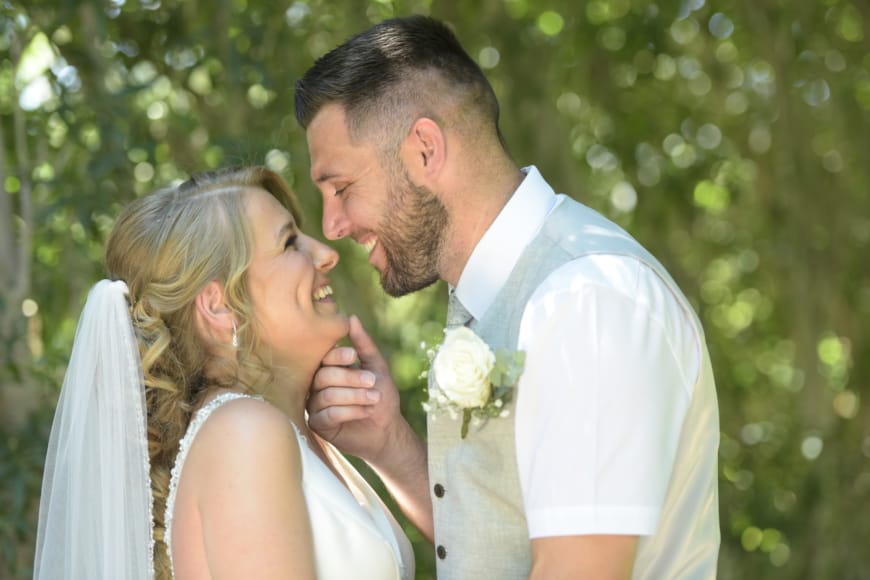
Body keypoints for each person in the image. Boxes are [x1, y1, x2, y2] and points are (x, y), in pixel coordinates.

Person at [295, 15, 720, 580]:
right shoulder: (503, 296)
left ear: (424, 150)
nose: (333, 226)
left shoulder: (584, 300)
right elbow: (498, 541)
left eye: (342, 188)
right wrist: (390, 443)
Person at [33, 166, 415, 580]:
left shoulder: (294, 434)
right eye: (289, 243)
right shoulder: (244, 433)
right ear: (219, 306)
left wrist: (388, 443)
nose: (326, 253)